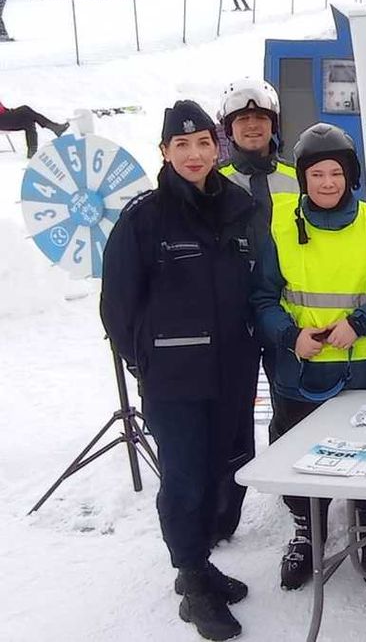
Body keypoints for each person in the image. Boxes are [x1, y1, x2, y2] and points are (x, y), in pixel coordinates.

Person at [100, 100, 258, 642]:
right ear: (165, 152)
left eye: (204, 144)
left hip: (232, 372)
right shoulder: (144, 218)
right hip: (174, 378)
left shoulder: (239, 206)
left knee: (221, 467)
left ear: (218, 147)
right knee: (186, 478)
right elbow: (117, 305)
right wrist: (144, 362)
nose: (195, 154)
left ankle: (201, 561)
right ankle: (191, 579)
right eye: (181, 145)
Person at [250, 123, 366, 592]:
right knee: (296, 455)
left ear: (350, 175)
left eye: (335, 173)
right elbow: (262, 297)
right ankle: (306, 528)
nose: (326, 183)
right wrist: (289, 335)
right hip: (297, 368)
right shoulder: (279, 223)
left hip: (357, 368)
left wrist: (358, 324)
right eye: (316, 174)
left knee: (365, 453)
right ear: (303, 178)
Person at [210, 78, 299, 545]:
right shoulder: (214, 184)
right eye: (242, 119)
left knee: (288, 404)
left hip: (284, 313)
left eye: (260, 118)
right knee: (232, 415)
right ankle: (224, 513)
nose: (251, 126)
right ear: (229, 128)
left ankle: (297, 502)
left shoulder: (293, 180)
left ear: (273, 126)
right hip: (231, 317)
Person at [0, 99, 69, 157]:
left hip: (4, 118)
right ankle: (55, 127)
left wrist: (9, 111)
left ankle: (32, 152)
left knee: (28, 120)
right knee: (25, 109)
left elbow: (2, 109)